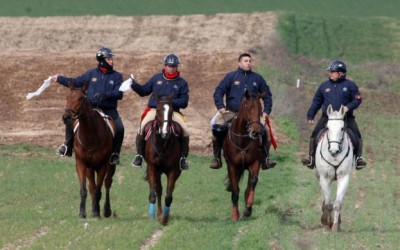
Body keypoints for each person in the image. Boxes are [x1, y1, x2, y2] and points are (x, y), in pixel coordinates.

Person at [52, 47, 125, 165]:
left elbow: (119, 94)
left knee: (120, 128)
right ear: (102, 60)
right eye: (109, 58)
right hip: (90, 108)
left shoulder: (117, 76)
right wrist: (59, 78)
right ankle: (67, 146)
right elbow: (75, 82)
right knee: (71, 120)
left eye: (111, 59)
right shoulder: (91, 74)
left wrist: (105, 95)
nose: (112, 61)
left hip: (108, 109)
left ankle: (115, 154)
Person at [209, 52, 277, 170]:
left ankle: (266, 158)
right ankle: (217, 158)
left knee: (265, 130)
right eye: (246, 61)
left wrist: (266, 111)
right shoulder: (230, 77)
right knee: (216, 126)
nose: (248, 63)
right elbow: (218, 92)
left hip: (252, 115)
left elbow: (268, 96)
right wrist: (220, 107)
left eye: (250, 61)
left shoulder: (258, 78)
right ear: (239, 63)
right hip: (231, 112)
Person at [301, 59, 367, 169]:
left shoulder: (350, 85)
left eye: (332, 72)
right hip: (327, 118)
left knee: (357, 135)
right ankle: (311, 158)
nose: (330, 74)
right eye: (330, 72)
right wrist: (311, 115)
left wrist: (348, 107)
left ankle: (358, 158)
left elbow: (357, 99)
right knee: (315, 134)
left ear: (340, 73)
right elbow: (317, 101)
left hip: (346, 117)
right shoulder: (324, 86)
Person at [129, 53, 190, 170]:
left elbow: (184, 102)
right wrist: (134, 84)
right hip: (155, 110)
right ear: (165, 66)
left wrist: (169, 103)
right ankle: (139, 155)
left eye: (174, 66)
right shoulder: (156, 78)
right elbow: (143, 91)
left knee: (185, 130)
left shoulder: (182, 83)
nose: (172, 68)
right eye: (169, 66)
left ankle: (183, 157)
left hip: (173, 111)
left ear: (177, 67)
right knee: (142, 127)